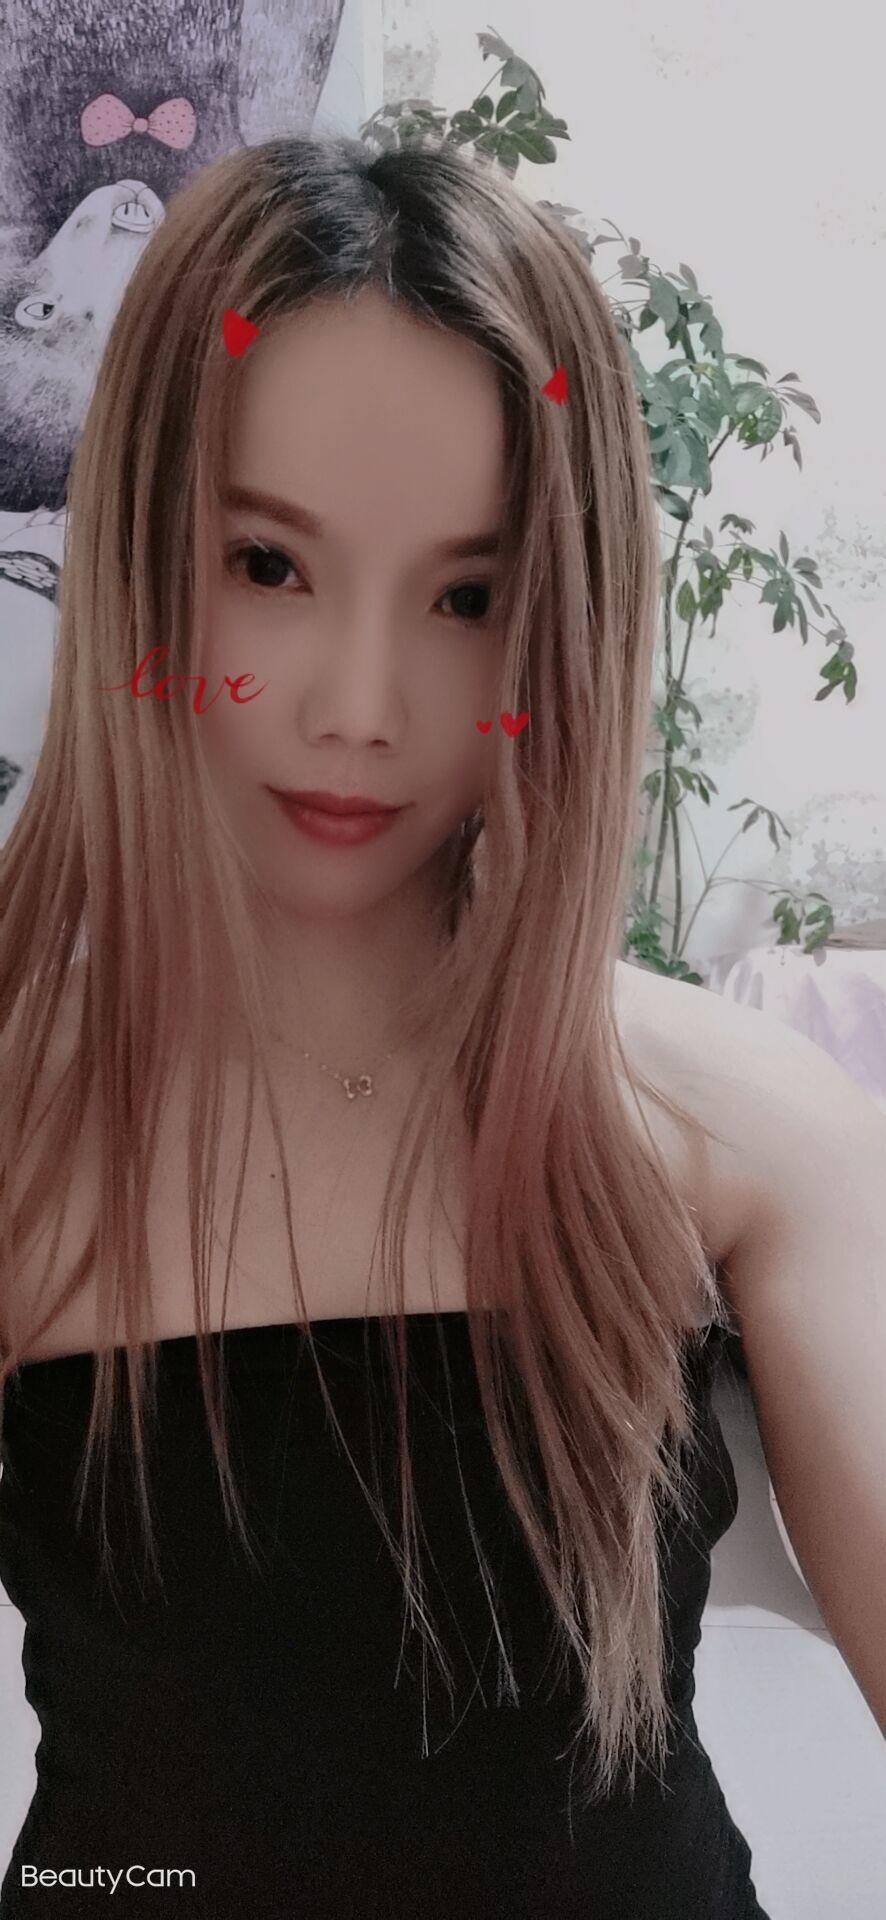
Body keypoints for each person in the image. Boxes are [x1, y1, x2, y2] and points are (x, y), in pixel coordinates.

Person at [0, 133, 772, 1916]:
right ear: (142, 555)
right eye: (267, 564)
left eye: (468, 597)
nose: (359, 708)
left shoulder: (733, 1128)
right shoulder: (26, 1119)